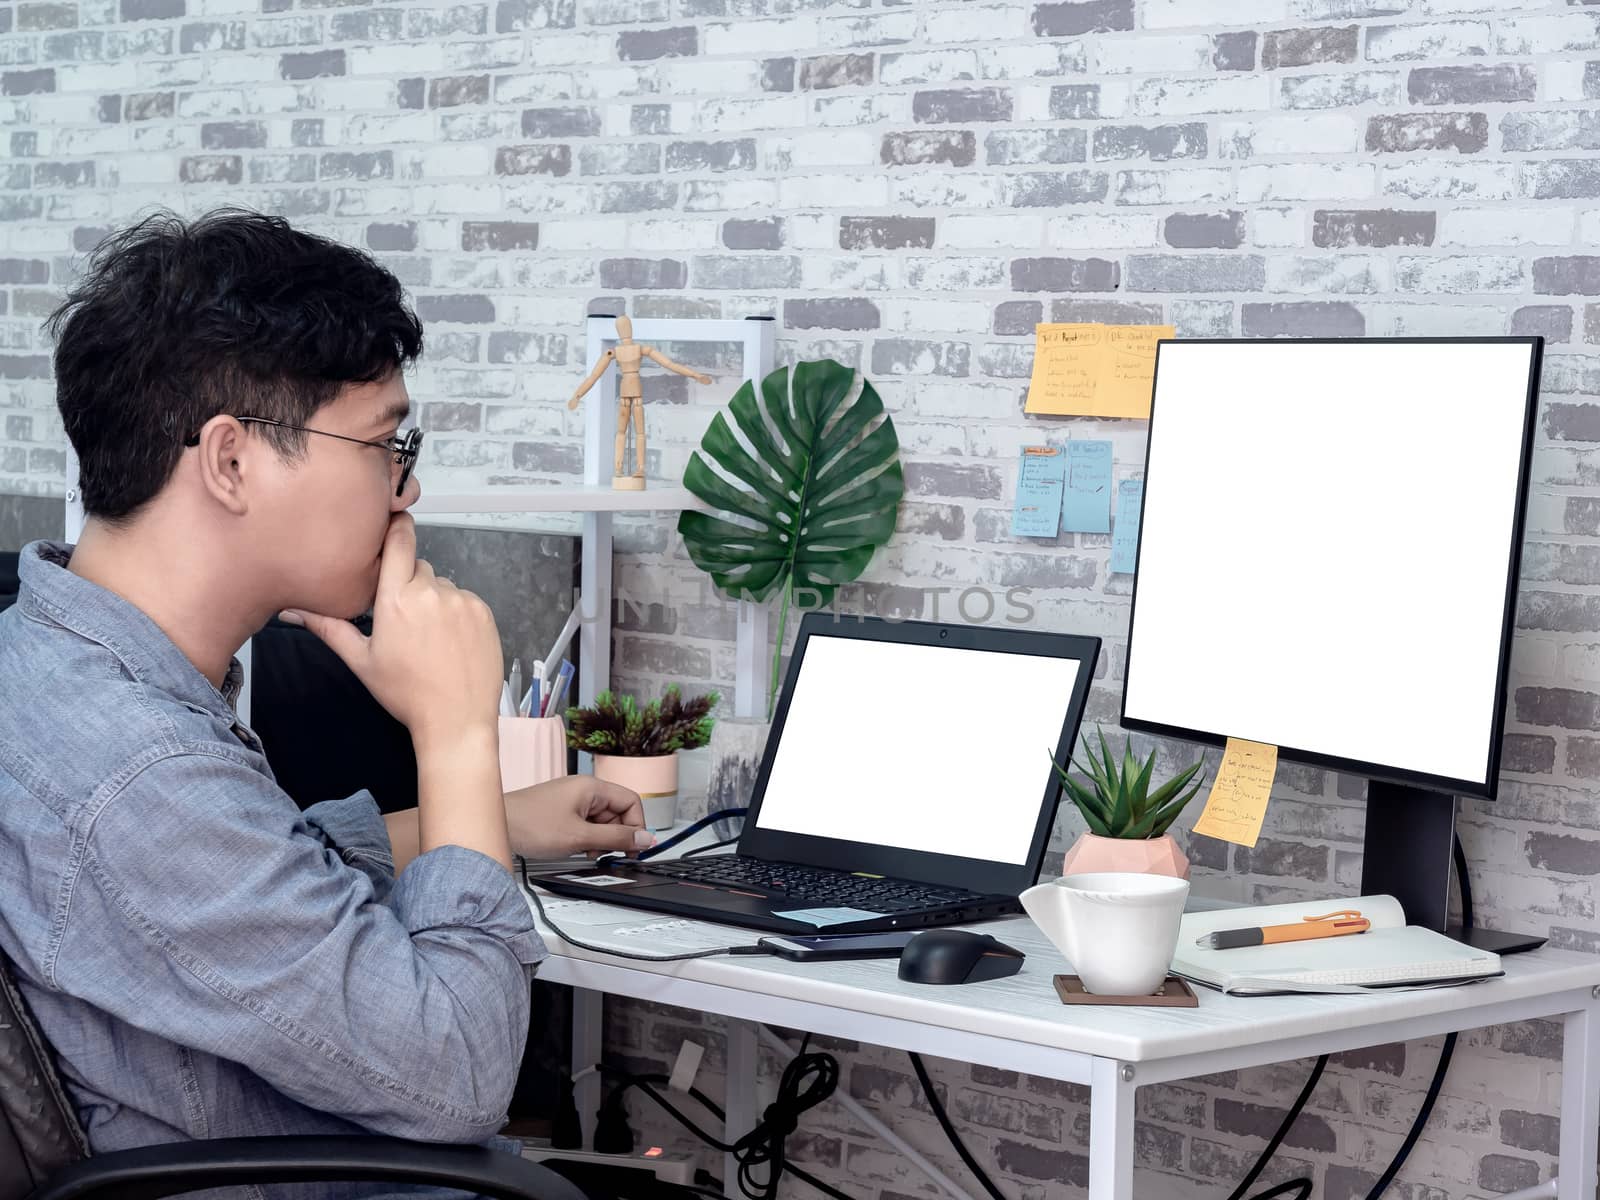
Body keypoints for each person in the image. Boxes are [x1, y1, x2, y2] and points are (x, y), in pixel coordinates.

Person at [0, 208, 651, 1198]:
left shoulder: (49, 666)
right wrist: (456, 732)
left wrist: (478, 823)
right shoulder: (144, 773)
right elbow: (461, 1074)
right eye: (385, 442)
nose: (408, 486)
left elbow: (223, 890)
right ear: (230, 461)